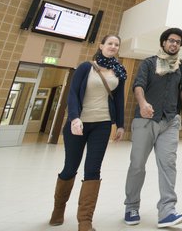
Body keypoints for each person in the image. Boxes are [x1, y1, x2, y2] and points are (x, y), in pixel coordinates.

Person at [49, 34, 127, 231]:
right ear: (101, 46)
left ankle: (85, 221)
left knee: (93, 170)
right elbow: (73, 93)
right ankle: (58, 209)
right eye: (110, 43)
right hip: (78, 124)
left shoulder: (119, 71)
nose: (113, 46)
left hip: (102, 125)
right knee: (70, 168)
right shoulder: (86, 67)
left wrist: (120, 125)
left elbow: (118, 100)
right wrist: (74, 118)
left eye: (116, 44)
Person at [124, 28, 182, 228]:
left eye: (178, 42)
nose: (174, 44)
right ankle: (131, 206)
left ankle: (167, 211)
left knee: (168, 165)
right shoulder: (148, 63)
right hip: (146, 120)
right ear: (163, 42)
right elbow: (138, 85)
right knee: (137, 165)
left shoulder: (181, 66)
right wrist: (143, 104)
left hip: (170, 121)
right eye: (171, 40)